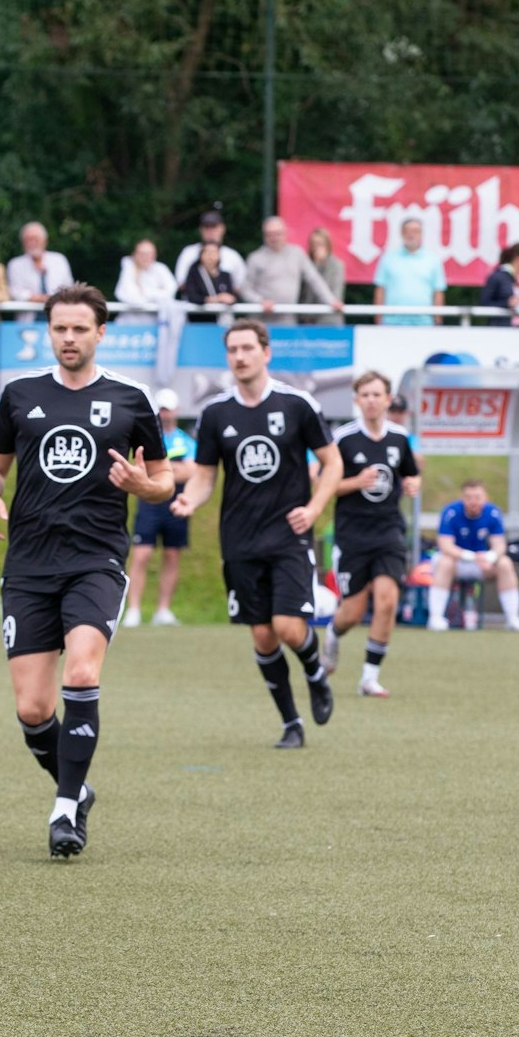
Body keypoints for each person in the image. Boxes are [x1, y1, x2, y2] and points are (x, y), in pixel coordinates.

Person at [0, 284, 171, 856]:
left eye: (80, 328)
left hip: (96, 560)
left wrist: (144, 486)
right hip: (29, 564)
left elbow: (165, 480)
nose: (69, 338)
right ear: (48, 331)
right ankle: (77, 789)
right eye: (60, 328)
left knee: (82, 673)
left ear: (100, 332)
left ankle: (64, 810)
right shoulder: (19, 395)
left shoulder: (132, 399)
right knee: (33, 709)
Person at [169, 320, 341, 749]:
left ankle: (315, 672)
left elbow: (333, 463)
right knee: (262, 635)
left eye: (248, 348)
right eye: (233, 350)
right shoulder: (215, 413)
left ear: (266, 352)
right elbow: (206, 477)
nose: (240, 356)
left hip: (289, 536)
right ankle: (291, 724)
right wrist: (190, 499)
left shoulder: (297, 404)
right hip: (240, 542)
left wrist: (315, 508)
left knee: (286, 626)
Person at [320, 372, 421, 698]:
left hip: (389, 531)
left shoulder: (400, 438)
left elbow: (411, 475)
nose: (372, 400)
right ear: (356, 400)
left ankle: (369, 678)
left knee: (387, 600)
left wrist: (412, 484)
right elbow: (325, 485)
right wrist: (355, 482)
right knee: (351, 612)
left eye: (377, 394)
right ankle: (334, 635)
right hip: (352, 535)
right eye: (365, 395)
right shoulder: (343, 439)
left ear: (388, 400)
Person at [123, 387, 196, 627]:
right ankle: (133, 610)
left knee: (172, 555)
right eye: (161, 409)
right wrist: (174, 470)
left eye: (169, 409)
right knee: (141, 554)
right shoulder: (148, 437)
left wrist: (163, 471)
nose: (165, 414)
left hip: (176, 504)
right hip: (149, 503)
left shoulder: (185, 440)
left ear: (176, 410)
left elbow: (192, 471)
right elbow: (140, 469)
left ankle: (162, 610)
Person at [427, 480, 519, 632]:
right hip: (458, 563)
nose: (473, 502)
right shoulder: (451, 512)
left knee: (505, 563)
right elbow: (445, 545)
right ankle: (435, 618)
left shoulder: (493, 513)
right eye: (468, 497)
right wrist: (471, 557)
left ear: (485, 498)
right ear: (462, 498)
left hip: (482, 565)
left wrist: (490, 557)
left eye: (477, 497)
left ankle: (513, 618)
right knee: (445, 562)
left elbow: (499, 545)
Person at [241, 216, 343, 323]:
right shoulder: (255, 258)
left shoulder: (297, 254)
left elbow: (314, 279)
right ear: (264, 235)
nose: (274, 238)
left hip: (288, 320)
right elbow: (245, 289)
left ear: (285, 233)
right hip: (261, 321)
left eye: (278, 233)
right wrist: (260, 301)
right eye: (270, 234)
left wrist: (331, 301)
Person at [374, 219, 447, 325]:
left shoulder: (433, 260)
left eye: (416, 231)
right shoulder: (388, 258)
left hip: (424, 322)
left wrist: (438, 319)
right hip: (392, 321)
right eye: (408, 231)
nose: (411, 235)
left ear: (421, 234)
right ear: (402, 233)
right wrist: (378, 318)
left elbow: (438, 291)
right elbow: (380, 290)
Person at [6, 221, 74, 321]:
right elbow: (14, 291)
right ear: (23, 243)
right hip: (28, 322)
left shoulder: (59, 260)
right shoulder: (15, 264)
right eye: (28, 240)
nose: (32, 243)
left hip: (58, 317)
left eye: (36, 239)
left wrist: (53, 298)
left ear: (45, 241)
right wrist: (35, 298)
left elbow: (69, 288)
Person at [172, 207, 247, 288]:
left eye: (214, 226)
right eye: (206, 227)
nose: (210, 231)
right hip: (194, 300)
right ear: (200, 230)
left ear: (223, 228)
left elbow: (241, 287)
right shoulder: (188, 252)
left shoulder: (232, 256)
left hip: (223, 299)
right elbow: (181, 283)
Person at [113, 239, 178, 324]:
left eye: (149, 254)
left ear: (154, 255)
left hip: (156, 323)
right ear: (135, 254)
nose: (145, 257)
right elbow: (130, 297)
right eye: (142, 253)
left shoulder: (161, 269)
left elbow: (170, 292)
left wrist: (145, 291)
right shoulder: (128, 268)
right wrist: (157, 294)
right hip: (129, 323)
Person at [479, 242, 519, 324]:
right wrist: (506, 303)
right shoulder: (498, 276)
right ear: (518, 257)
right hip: (502, 329)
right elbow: (484, 303)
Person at [177, 241, 240, 308]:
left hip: (222, 316)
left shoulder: (225, 275)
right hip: (199, 316)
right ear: (201, 255)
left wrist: (230, 299)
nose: (210, 256)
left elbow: (231, 298)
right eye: (207, 252)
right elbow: (192, 297)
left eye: (213, 252)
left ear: (219, 255)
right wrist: (216, 299)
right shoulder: (194, 274)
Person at [303, 228, 345, 307]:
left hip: (329, 315)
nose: (316, 247)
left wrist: (320, 264)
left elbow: (336, 295)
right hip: (308, 315)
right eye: (313, 244)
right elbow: (307, 294)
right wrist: (316, 264)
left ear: (327, 245)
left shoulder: (337, 265)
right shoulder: (305, 263)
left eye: (319, 244)